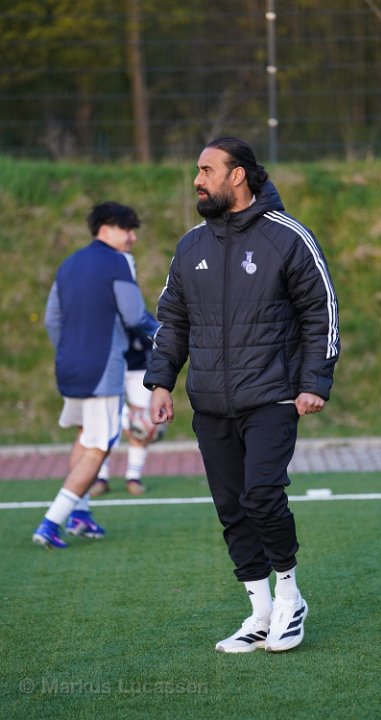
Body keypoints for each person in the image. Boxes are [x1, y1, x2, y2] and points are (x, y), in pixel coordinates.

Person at [144, 137, 340, 653]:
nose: (197, 179)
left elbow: (321, 310)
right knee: (231, 506)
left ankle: (290, 597)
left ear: (238, 176)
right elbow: (172, 321)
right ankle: (258, 611)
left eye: (206, 170)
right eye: (197, 170)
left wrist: (313, 381)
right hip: (210, 402)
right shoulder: (191, 246)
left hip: (272, 395)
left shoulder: (288, 236)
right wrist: (161, 381)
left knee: (261, 495)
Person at [33, 201, 158, 549]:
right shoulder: (117, 262)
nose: (132, 237)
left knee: (84, 436)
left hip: (69, 365)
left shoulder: (69, 263)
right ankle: (51, 522)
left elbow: (51, 320)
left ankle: (80, 513)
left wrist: (70, 349)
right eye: (127, 229)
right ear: (105, 229)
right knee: (100, 446)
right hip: (102, 367)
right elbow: (134, 315)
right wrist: (165, 332)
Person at [90, 328, 167, 498]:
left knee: (141, 423)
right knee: (102, 421)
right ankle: (100, 477)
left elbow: (142, 322)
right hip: (107, 364)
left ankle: (133, 477)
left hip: (138, 364)